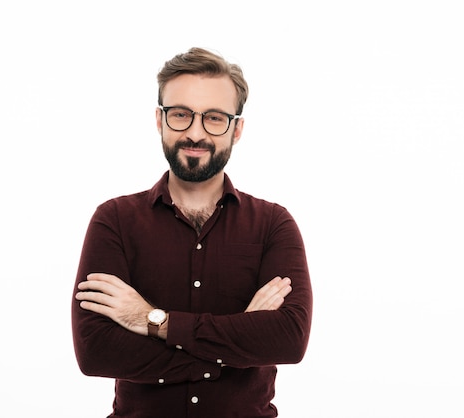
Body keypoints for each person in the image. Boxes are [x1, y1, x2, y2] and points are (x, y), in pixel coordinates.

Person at [71, 47, 313, 418]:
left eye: (214, 118)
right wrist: (236, 345)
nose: (195, 133)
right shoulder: (114, 220)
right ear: (160, 120)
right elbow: (96, 351)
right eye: (181, 115)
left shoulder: (273, 224)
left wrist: (151, 321)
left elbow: (289, 340)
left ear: (237, 128)